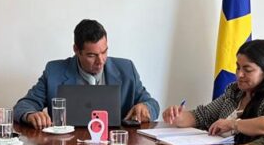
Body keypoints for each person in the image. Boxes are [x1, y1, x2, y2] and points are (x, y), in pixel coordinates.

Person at [13, 19, 159, 128]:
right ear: (76, 50)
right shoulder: (54, 72)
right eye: (91, 55)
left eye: (104, 52)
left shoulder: (127, 69)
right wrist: (30, 115)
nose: (100, 61)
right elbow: (24, 105)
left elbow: (153, 104)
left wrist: (146, 107)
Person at [161, 39, 264, 144]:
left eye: (247, 70)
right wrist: (177, 117)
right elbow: (202, 116)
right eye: (238, 68)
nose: (239, 74)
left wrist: (233, 124)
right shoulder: (235, 92)